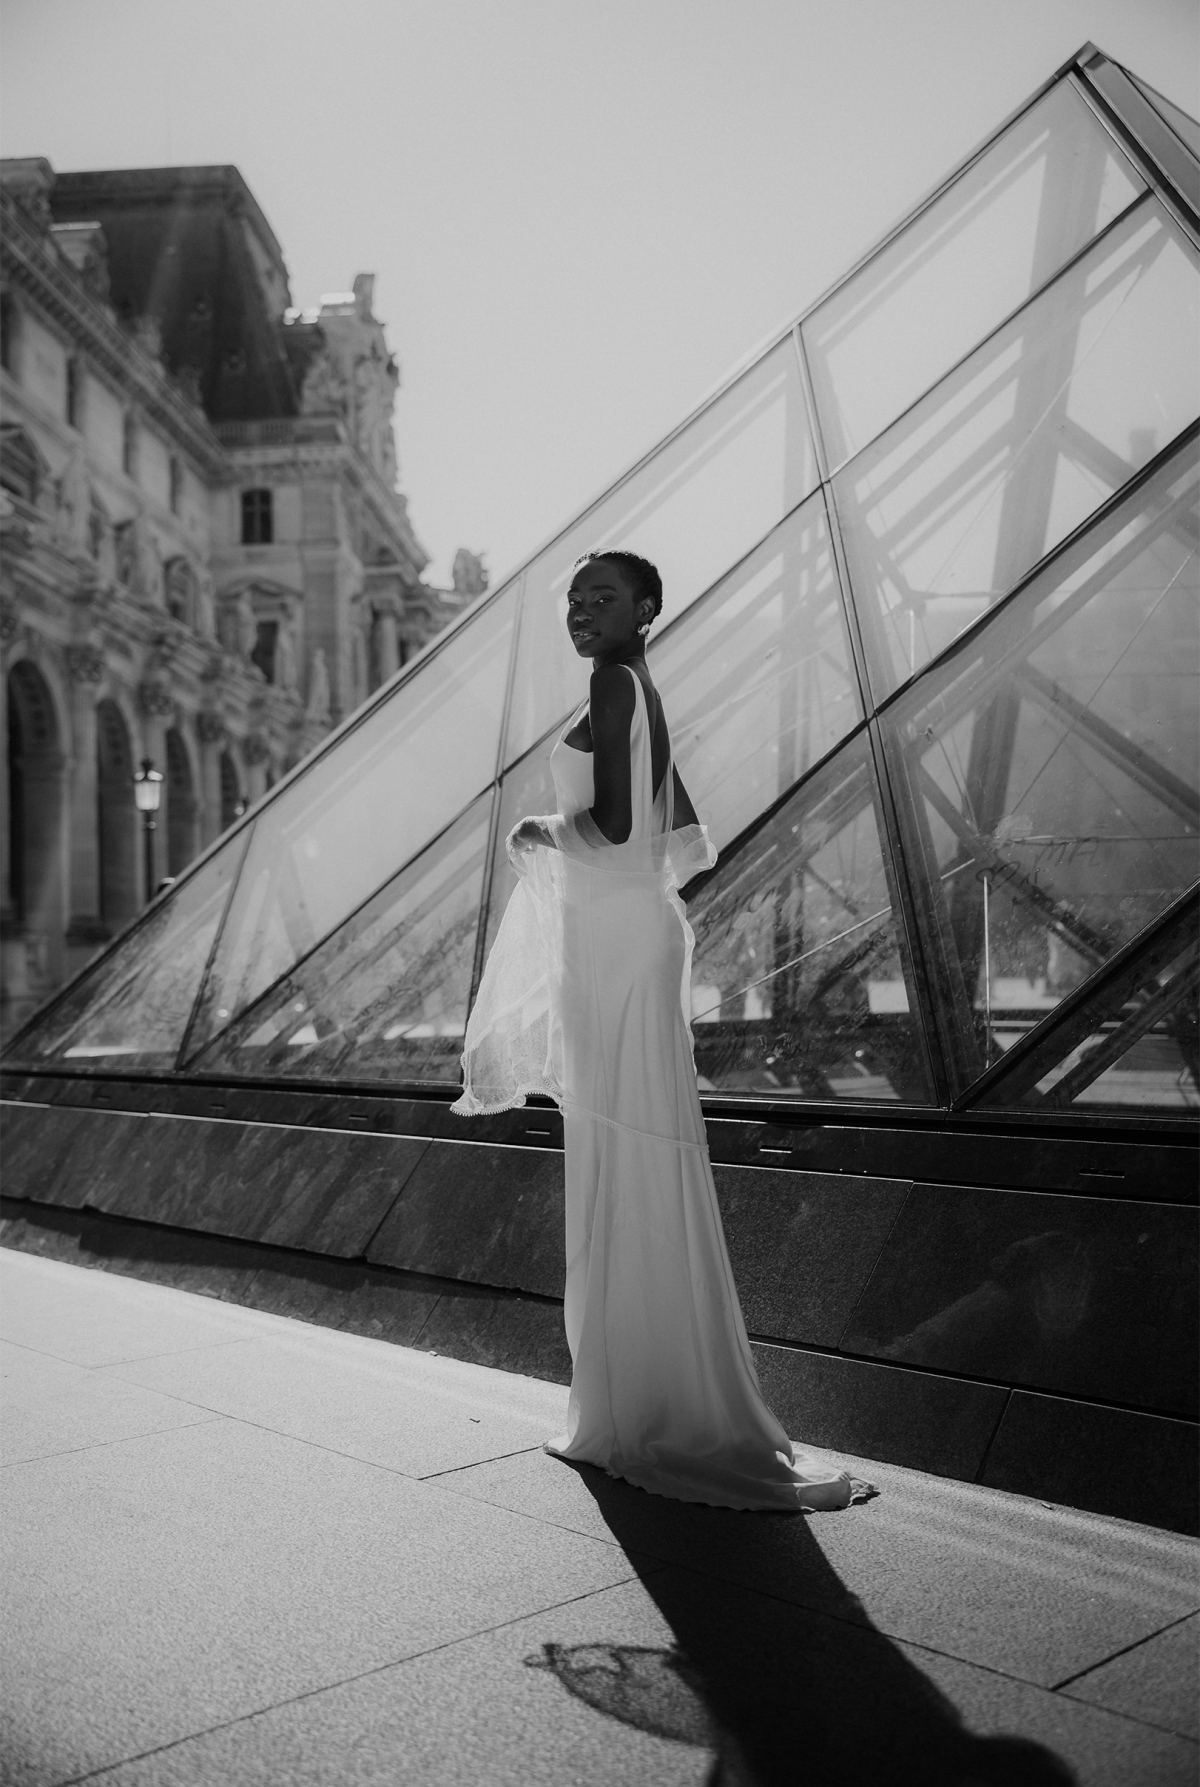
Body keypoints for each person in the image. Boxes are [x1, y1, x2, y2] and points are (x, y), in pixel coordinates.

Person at [453, 549, 873, 1512]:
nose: (581, 611)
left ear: (646, 607)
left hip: (615, 940)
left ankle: (638, 1402)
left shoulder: (614, 682)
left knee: (623, 1147)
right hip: (633, 931)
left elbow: (609, 823)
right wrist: (631, 880)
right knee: (642, 1146)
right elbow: (683, 835)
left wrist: (535, 832)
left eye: (602, 597)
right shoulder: (642, 685)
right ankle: (662, 1391)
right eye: (574, 599)